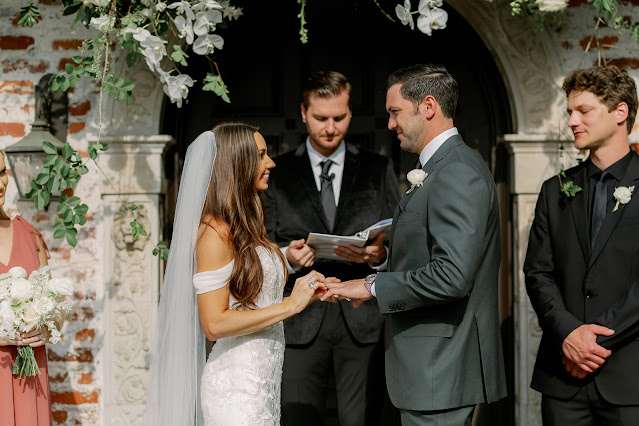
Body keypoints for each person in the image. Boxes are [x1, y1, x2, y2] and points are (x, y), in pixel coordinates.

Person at [322, 64, 507, 425]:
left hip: (441, 366)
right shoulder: (440, 167)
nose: (390, 124)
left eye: (395, 112)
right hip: (431, 371)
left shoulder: (456, 171)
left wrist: (373, 285)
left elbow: (452, 276)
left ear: (427, 106)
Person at [142, 123, 329, 426]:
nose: (271, 163)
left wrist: (308, 291)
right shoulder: (214, 232)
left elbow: (251, 292)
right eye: (261, 155)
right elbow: (214, 323)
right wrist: (290, 306)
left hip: (261, 385)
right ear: (238, 163)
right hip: (235, 389)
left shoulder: (244, 223)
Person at [262, 71, 401, 425]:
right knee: (297, 418)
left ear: (350, 114)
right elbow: (260, 243)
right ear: (304, 113)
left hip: (362, 321)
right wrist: (289, 260)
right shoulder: (277, 172)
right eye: (321, 118)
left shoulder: (376, 168)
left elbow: (400, 238)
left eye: (338, 118)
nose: (330, 127)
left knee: (364, 420)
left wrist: (380, 257)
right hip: (299, 318)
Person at [524, 65, 639, 425]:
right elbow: (537, 273)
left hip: (630, 378)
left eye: (584, 111)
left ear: (620, 112)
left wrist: (593, 344)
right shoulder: (554, 190)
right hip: (562, 379)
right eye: (570, 111)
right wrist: (569, 334)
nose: (572, 120)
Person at [0, 151, 53, 426]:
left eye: (1, 172)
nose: (0, 184)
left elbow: (55, 311)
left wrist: (47, 328)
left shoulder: (30, 235)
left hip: (29, 377)